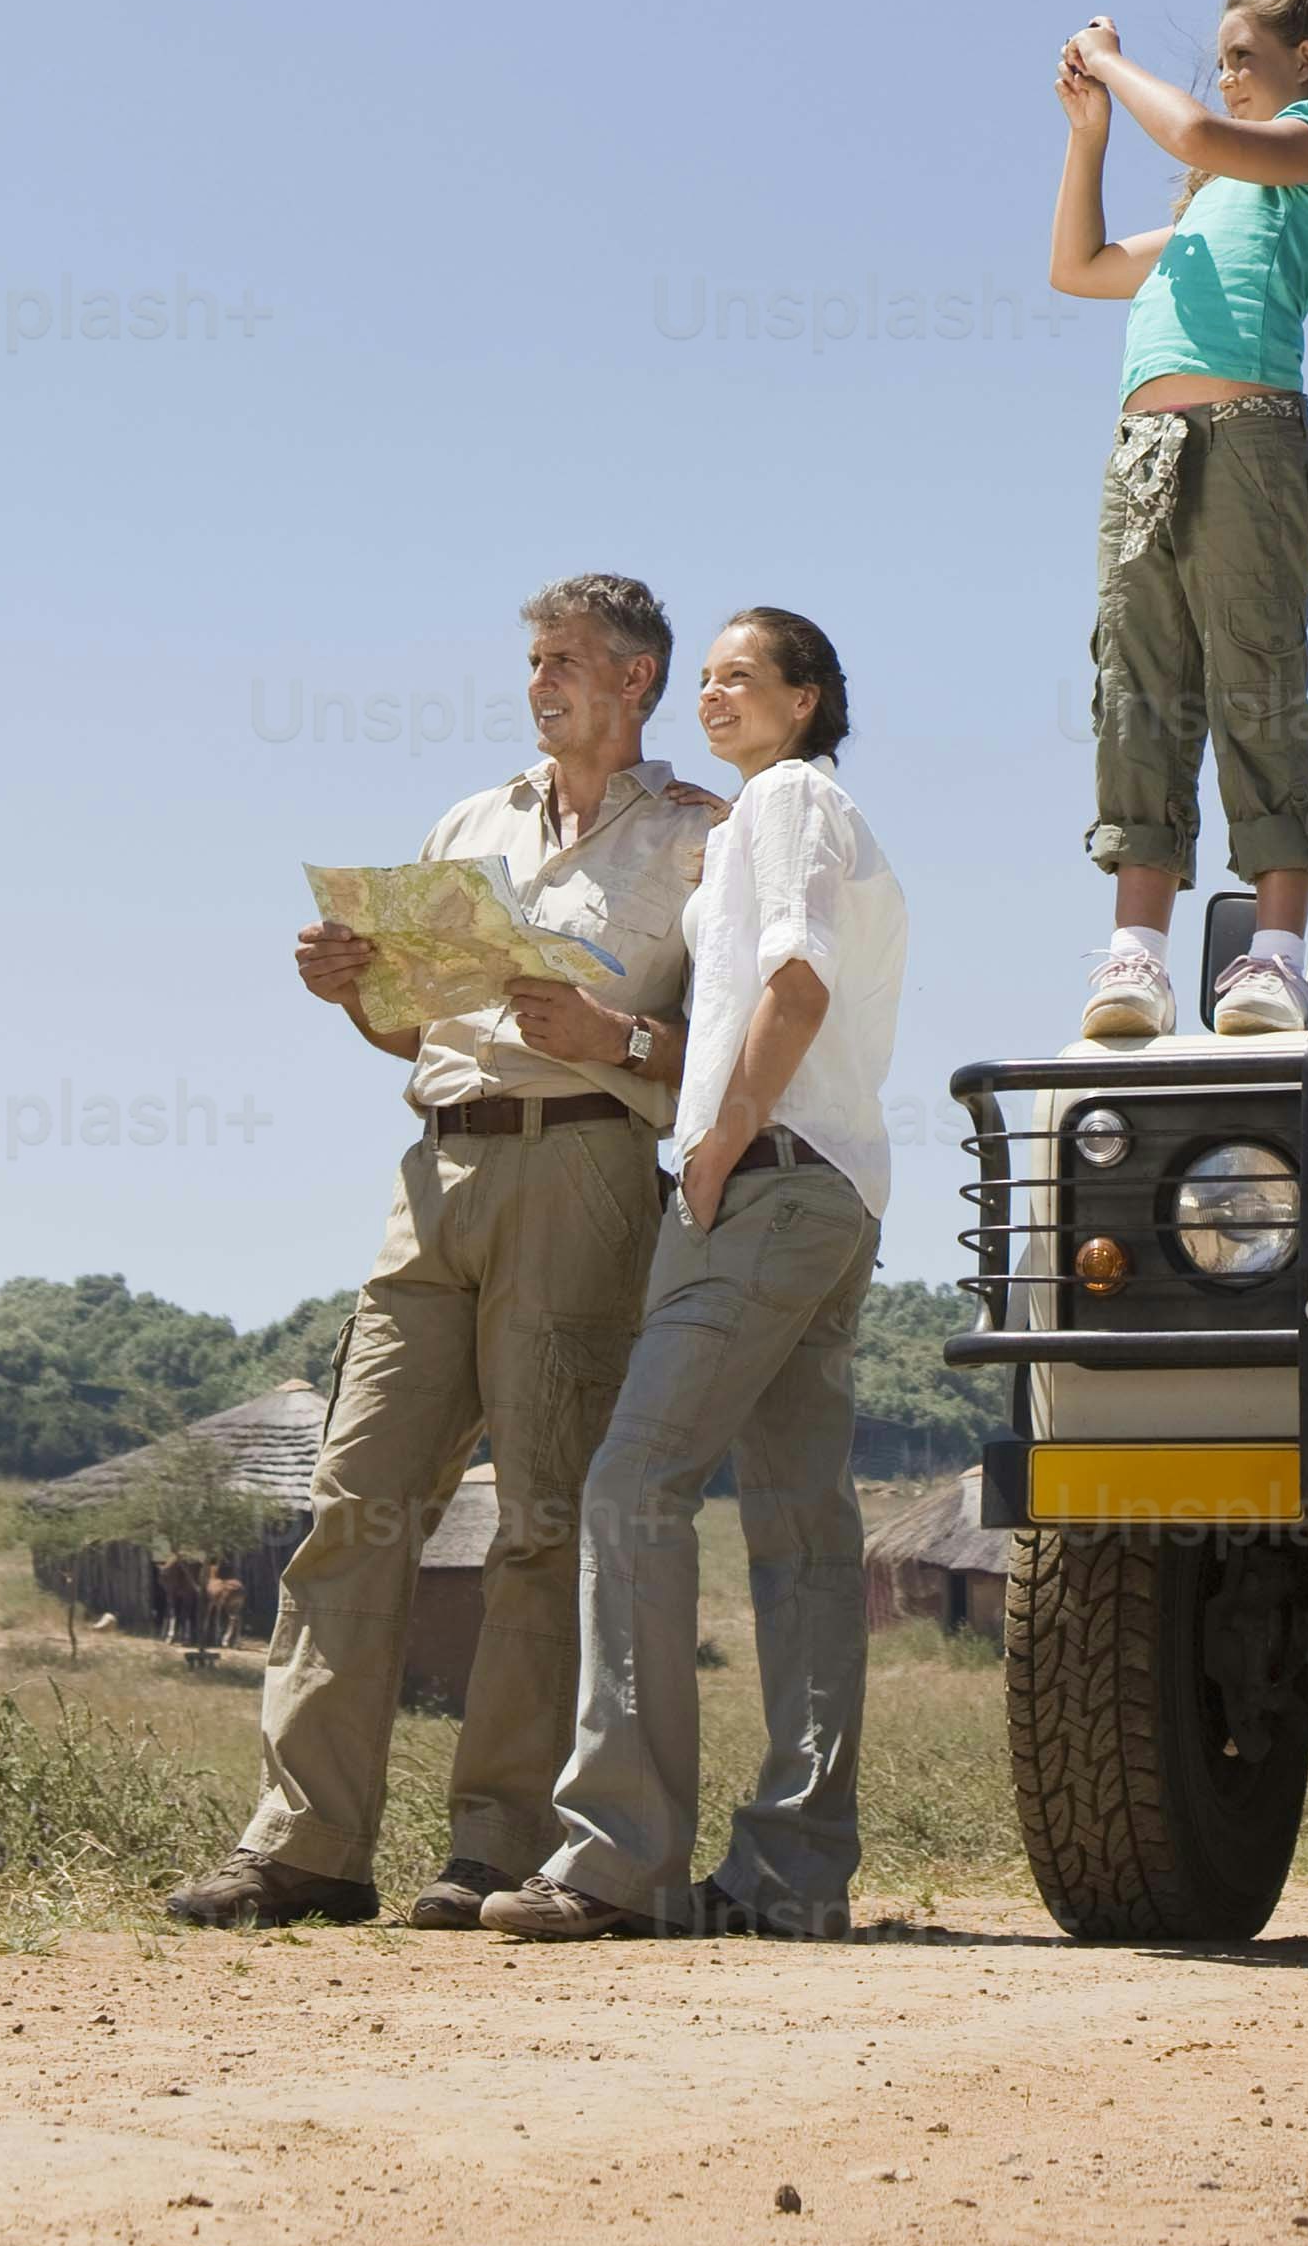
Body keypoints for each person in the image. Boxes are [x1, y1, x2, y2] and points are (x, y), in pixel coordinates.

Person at [162, 573, 718, 1934]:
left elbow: (742, 1063)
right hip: (435, 1170)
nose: (543, 682)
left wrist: (619, 1041)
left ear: (639, 678)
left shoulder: (710, 838)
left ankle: (496, 1849)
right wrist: (358, 992)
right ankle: (303, 1844)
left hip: (588, 1166)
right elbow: (419, 1033)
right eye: (534, 658)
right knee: (353, 1501)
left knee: (538, 1520)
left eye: (570, 659)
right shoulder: (470, 824)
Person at [483, 608, 906, 1943]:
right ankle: (793, 1868)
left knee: (632, 1480)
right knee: (800, 1529)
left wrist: (716, 1141)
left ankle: (619, 1853)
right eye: (707, 678)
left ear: (811, 697)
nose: (717, 693)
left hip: (766, 1178)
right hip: (832, 1185)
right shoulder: (800, 816)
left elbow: (797, 979)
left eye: (744, 676)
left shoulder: (786, 799)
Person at [1048, 0, 1308, 1042]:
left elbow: (1184, 125)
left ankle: (1274, 957)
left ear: (1306, 60)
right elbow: (1077, 266)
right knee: (1135, 690)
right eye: (1220, 62)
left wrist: (1107, 60)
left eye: (1240, 56)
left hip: (1250, 443)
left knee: (1255, 681)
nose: (1222, 78)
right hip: (1141, 455)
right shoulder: (1199, 210)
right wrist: (1087, 132)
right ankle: (1135, 954)